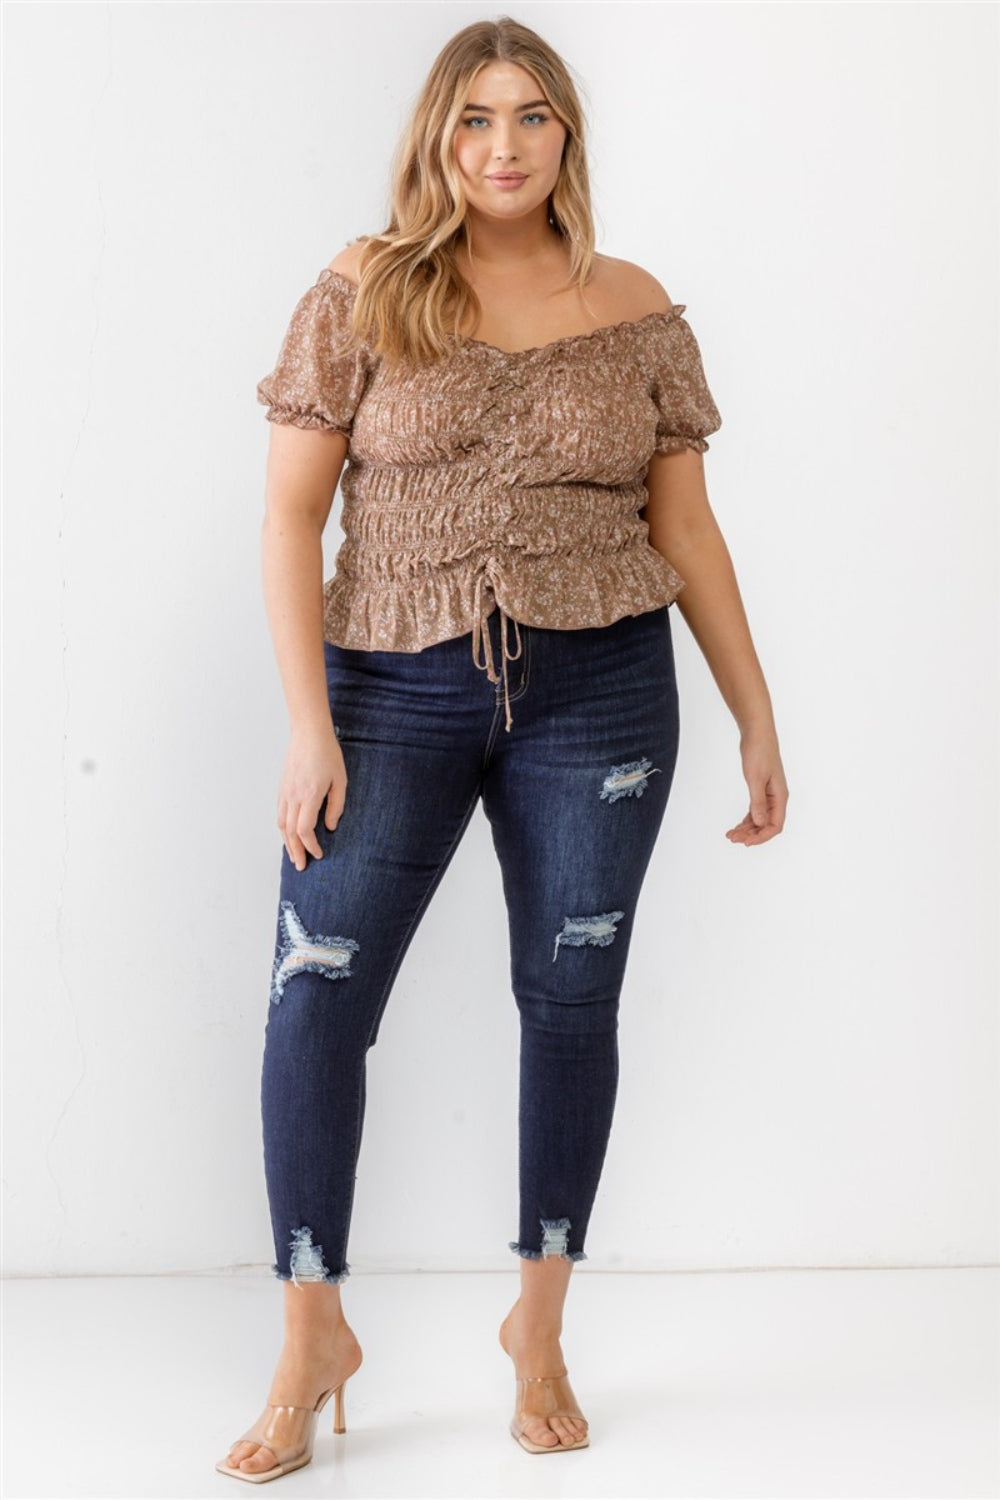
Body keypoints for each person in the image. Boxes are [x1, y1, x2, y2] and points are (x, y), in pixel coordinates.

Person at [217, 14, 788, 1484]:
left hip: (601, 694)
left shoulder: (637, 306)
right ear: (436, 138)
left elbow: (687, 529)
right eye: (476, 120)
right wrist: (306, 724)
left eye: (532, 118)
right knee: (313, 999)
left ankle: (538, 1326)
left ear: (567, 140)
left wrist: (755, 712)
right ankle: (308, 1330)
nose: (504, 147)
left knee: (571, 1001)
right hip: (389, 693)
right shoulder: (363, 290)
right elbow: (290, 515)